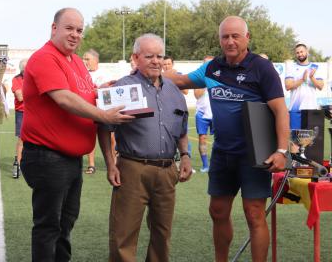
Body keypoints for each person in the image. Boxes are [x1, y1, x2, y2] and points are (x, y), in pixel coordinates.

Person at [164, 16, 289, 262]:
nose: (230, 41)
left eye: (235, 36)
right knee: (218, 211)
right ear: (219, 39)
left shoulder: (262, 68)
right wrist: (145, 70)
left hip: (255, 153)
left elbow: (280, 110)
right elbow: (180, 80)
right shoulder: (212, 68)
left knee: (254, 214)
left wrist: (282, 151)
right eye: (225, 37)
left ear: (247, 38)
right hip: (222, 151)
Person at [20, 7, 133, 262]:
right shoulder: (45, 58)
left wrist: (102, 91)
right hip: (48, 157)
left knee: (65, 223)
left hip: (70, 159)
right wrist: (105, 116)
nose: (75, 35)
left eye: (79, 30)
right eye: (69, 28)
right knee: (49, 226)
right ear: (54, 28)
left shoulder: (76, 62)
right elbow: (64, 99)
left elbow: (85, 94)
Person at [98, 33, 192, 261]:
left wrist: (186, 156)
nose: (156, 61)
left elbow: (181, 128)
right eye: (149, 56)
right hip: (133, 169)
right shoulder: (122, 88)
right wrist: (111, 165)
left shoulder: (174, 91)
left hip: (167, 171)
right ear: (135, 58)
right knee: (124, 236)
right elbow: (103, 127)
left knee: (162, 234)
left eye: (159, 56)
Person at [285, 43, 324, 131]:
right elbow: (288, 86)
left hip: (311, 109)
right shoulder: (291, 67)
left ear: (307, 52)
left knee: (312, 142)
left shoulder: (315, 67)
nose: (300, 54)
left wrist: (311, 77)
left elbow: (321, 86)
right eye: (297, 53)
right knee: (295, 140)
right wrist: (302, 79)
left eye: (302, 52)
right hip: (295, 110)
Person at [82, 49, 108, 174]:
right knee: (89, 137)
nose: (84, 61)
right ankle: (91, 165)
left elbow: (105, 92)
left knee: (109, 138)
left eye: (87, 59)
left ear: (96, 60)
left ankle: (111, 163)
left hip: (102, 111)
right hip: (88, 110)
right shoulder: (82, 74)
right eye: (83, 58)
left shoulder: (104, 74)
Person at [194, 55, 215, 173]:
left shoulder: (219, 77)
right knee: (202, 138)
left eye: (210, 63)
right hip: (202, 114)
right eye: (206, 63)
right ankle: (205, 165)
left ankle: (216, 163)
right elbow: (197, 95)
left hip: (216, 113)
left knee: (219, 139)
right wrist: (205, 81)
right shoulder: (199, 78)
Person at [12, 58, 27, 168]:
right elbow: (20, 97)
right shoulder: (16, 79)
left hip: (33, 112)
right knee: (21, 139)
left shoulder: (35, 78)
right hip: (21, 113)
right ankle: (19, 163)